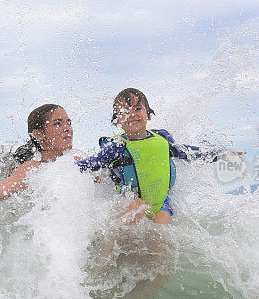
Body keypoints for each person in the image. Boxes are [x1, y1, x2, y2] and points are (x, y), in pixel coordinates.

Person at [78, 87, 239, 224]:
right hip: (132, 202)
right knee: (134, 211)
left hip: (162, 203)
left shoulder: (163, 138)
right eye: (124, 112)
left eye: (137, 109)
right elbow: (93, 164)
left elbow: (188, 152)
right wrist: (67, 166)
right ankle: (106, 257)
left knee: (159, 238)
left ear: (148, 115)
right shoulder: (116, 147)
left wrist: (220, 154)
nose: (131, 114)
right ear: (117, 121)